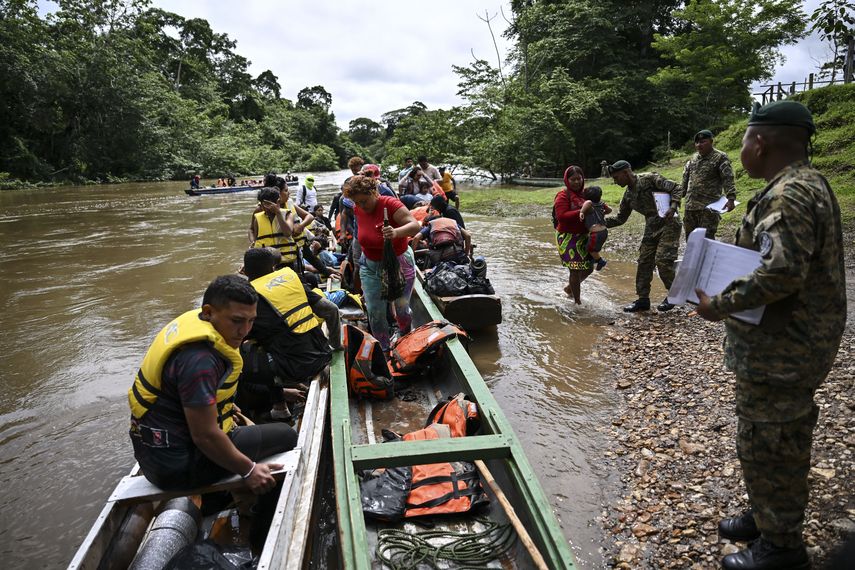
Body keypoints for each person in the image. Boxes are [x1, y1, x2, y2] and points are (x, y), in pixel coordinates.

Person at [694, 100, 846, 570]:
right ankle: (766, 515)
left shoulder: (787, 195)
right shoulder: (806, 183)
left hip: (785, 348)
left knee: (773, 441)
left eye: (744, 140)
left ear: (759, 143)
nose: (742, 148)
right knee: (765, 436)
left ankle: (782, 548)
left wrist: (716, 305)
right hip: (788, 340)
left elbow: (779, 274)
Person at [128, 275, 297, 494]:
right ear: (208, 312)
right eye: (237, 321)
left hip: (153, 456)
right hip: (179, 467)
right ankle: (256, 510)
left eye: (251, 321)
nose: (245, 330)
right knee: (287, 435)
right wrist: (249, 470)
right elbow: (204, 435)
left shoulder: (194, 324)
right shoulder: (200, 362)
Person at [343, 174, 421, 351]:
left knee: (402, 310)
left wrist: (396, 232)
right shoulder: (357, 208)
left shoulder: (390, 203)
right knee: (375, 312)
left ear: (374, 192)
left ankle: (404, 335)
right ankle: (384, 349)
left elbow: (415, 226)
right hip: (370, 265)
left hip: (399, 263)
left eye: (364, 200)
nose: (362, 206)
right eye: (357, 202)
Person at [605, 160, 682, 312]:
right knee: (644, 261)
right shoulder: (628, 195)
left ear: (626, 172)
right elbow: (620, 218)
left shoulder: (650, 179)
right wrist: (597, 223)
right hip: (651, 227)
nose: (615, 181)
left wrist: (673, 207)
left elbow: (677, 188)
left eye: (616, 177)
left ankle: (675, 295)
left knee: (662, 260)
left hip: (669, 223)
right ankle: (643, 300)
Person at [681, 129, 737, 240]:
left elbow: (727, 178)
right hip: (690, 208)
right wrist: (677, 196)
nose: (699, 145)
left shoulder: (720, 157)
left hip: (708, 208)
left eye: (703, 142)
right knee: (691, 241)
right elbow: (685, 180)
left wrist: (731, 198)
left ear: (711, 141)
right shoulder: (693, 159)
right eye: (697, 142)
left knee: (706, 241)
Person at [552, 165, 593, 305]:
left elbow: (597, 205)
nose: (576, 182)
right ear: (567, 180)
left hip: (583, 236)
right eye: (573, 179)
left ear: (583, 179)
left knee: (588, 268)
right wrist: (582, 210)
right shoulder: (563, 195)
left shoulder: (586, 194)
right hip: (567, 237)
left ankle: (570, 289)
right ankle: (577, 303)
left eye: (579, 179)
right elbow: (562, 216)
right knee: (575, 269)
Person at [248, 187, 294, 252]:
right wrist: (253, 242)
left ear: (277, 202)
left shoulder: (287, 214)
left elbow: (288, 233)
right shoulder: (258, 219)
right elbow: (256, 239)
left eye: (269, 204)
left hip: (286, 257)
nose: (266, 207)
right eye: (263, 204)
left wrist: (278, 213)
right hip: (266, 259)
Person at [578, 185, 611, 271]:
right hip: (604, 231)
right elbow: (610, 210)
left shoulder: (589, 203)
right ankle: (594, 259)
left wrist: (581, 212)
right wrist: (604, 212)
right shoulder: (602, 204)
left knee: (590, 248)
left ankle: (600, 261)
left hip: (596, 233)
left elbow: (588, 203)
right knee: (594, 248)